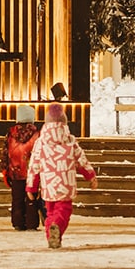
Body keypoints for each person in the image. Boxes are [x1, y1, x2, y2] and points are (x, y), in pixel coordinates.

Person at [26, 102, 97, 249]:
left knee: (50, 211)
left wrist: (31, 187)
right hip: (65, 183)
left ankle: (51, 236)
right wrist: (90, 175)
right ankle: (56, 227)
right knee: (63, 210)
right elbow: (80, 160)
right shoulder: (70, 140)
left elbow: (34, 165)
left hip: (48, 185)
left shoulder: (40, 142)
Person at [2, 104, 41, 231]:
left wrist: (5, 169)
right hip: (32, 172)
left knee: (17, 198)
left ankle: (18, 222)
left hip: (15, 171)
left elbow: (5, 152)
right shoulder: (37, 134)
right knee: (31, 198)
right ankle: (31, 222)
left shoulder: (10, 133)